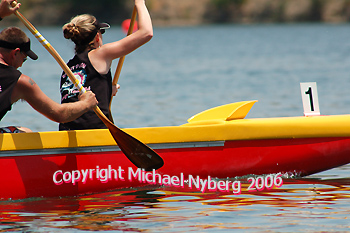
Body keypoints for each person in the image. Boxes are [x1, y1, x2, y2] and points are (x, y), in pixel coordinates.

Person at [59, 0, 153, 130]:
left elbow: (80, 95)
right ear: (97, 37)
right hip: (94, 132)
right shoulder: (101, 54)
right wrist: (140, 4)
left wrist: (107, 89)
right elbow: (146, 33)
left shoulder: (68, 67)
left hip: (66, 131)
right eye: (102, 33)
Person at [0, 27, 98, 133]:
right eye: (24, 59)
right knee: (25, 133)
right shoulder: (21, 82)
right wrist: (86, 103)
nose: (20, 65)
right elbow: (59, 114)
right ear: (15, 53)